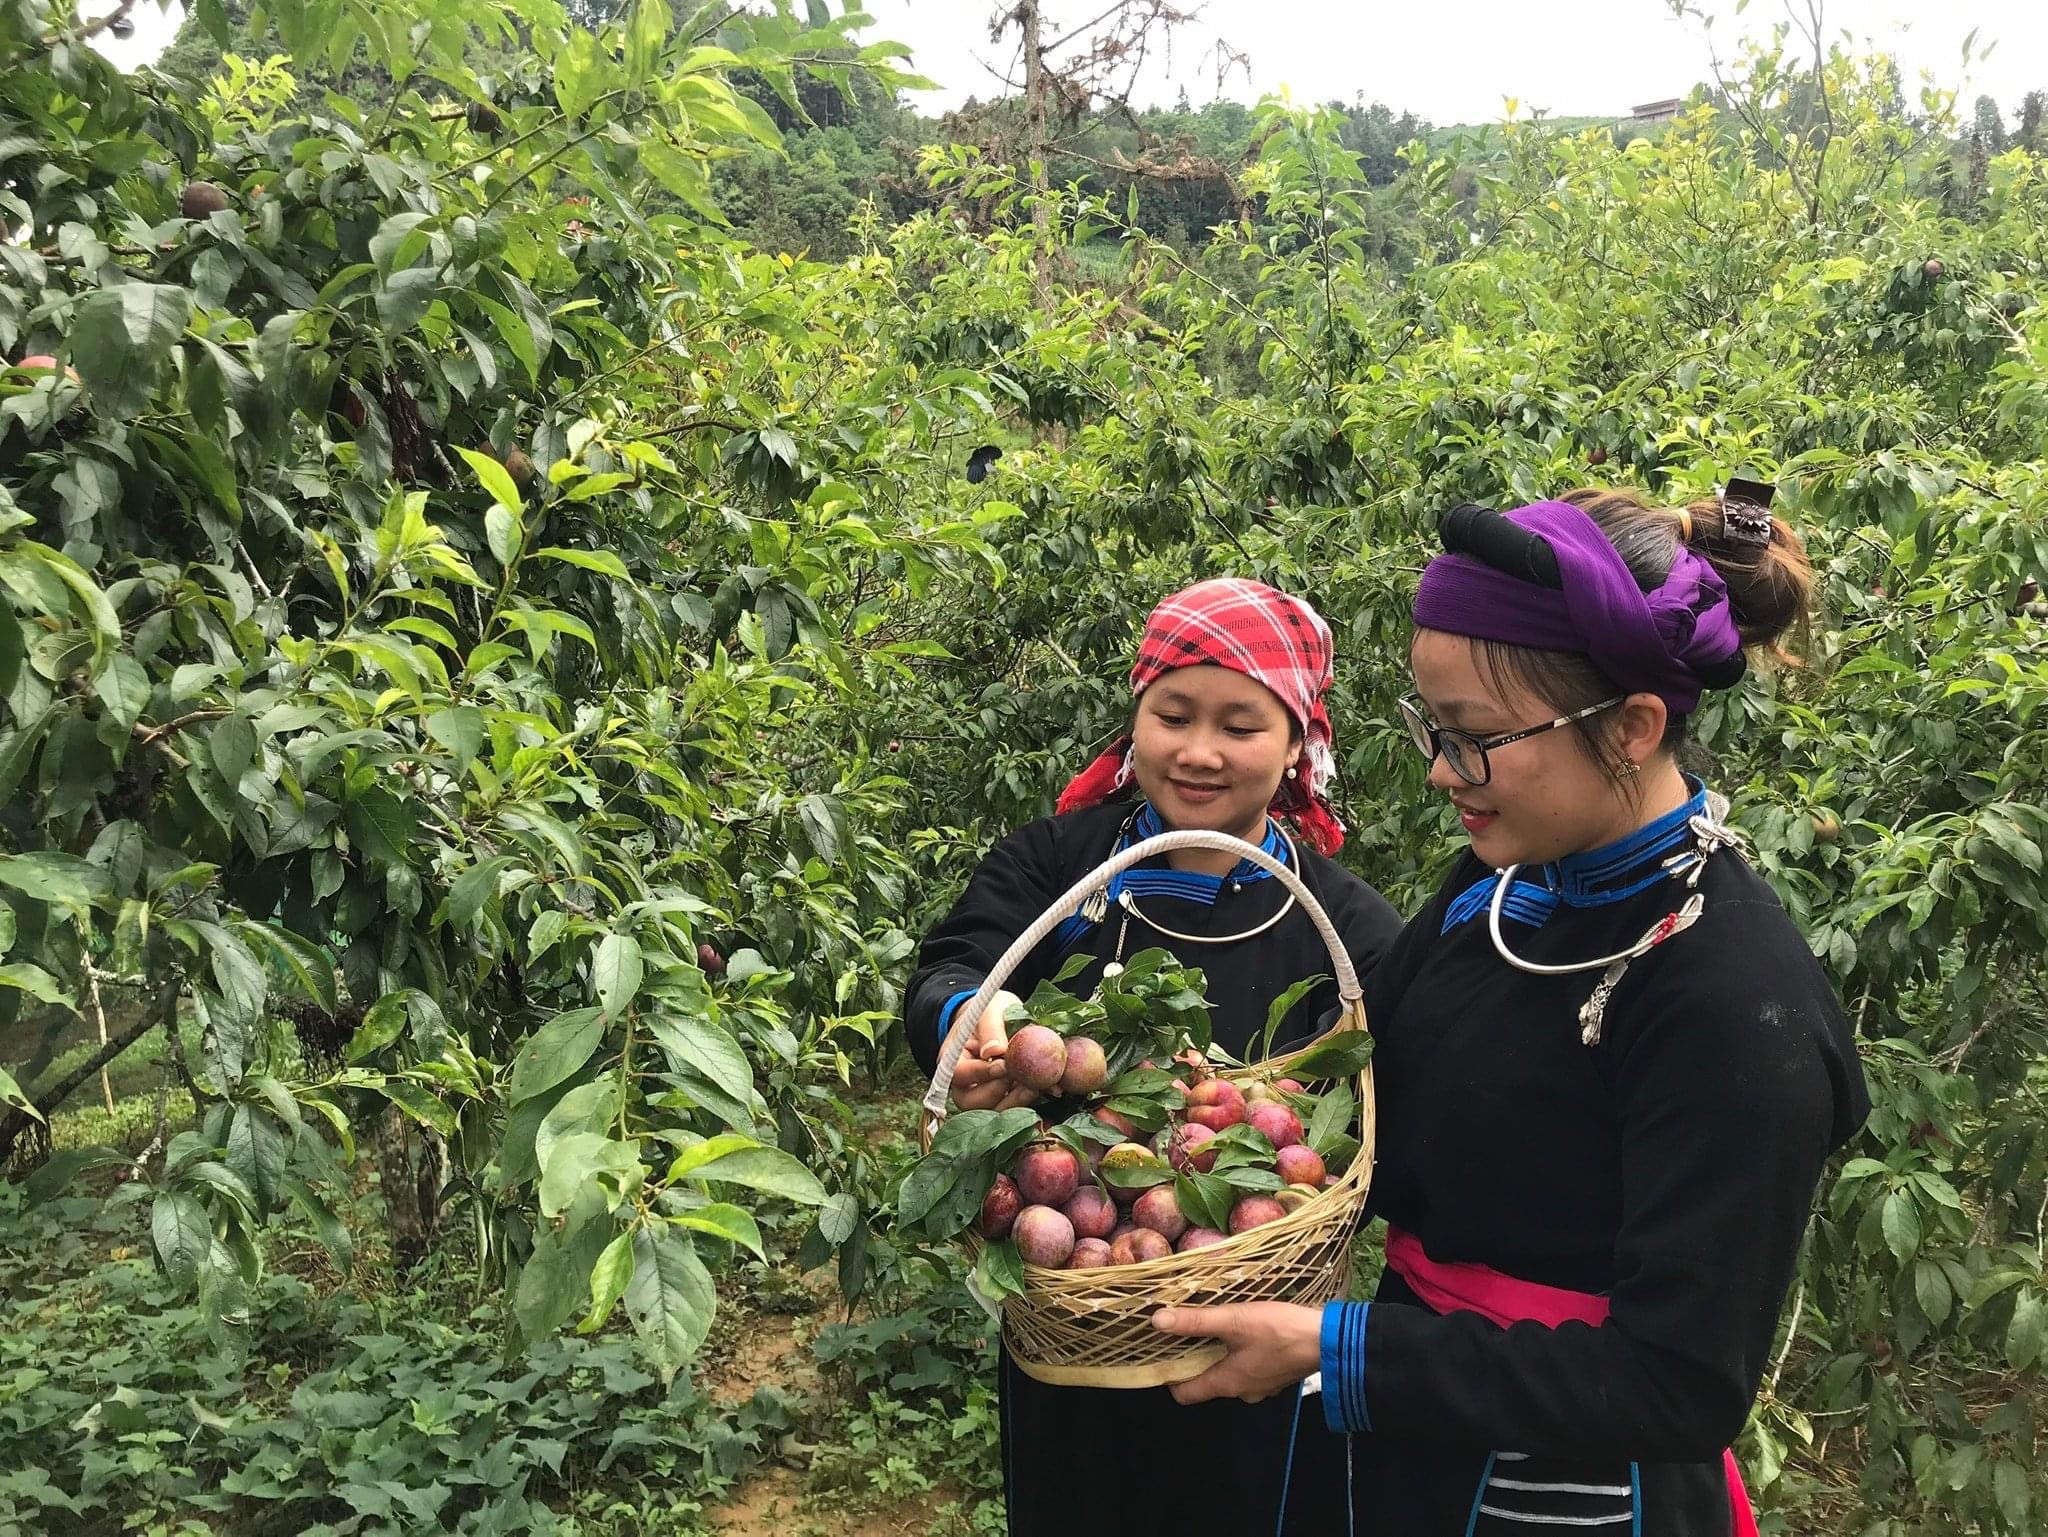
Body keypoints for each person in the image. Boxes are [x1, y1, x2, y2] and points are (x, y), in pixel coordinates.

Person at [1150, 488, 1871, 1536]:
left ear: (1630, 727)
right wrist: (1172, 1107)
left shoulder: (1729, 1006)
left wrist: (1335, 1347)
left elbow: (1673, 1382)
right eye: (1433, 729)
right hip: (1404, 1444)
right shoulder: (1500, 889)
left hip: (1562, 1491)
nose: (1443, 771)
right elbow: (1352, 1088)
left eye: (1474, 737)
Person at [905, 576, 1403, 1537]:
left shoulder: (1343, 926)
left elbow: (1390, 1101)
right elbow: (953, 963)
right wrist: (970, 1019)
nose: (1200, 750)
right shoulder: (1057, 865)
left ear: (1299, 740)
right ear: (1134, 718)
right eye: (1172, 714)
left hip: (1260, 1334)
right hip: (1078, 1315)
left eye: (1241, 725)